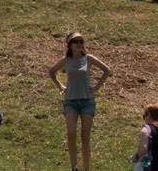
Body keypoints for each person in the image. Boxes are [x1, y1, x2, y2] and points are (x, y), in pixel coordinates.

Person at [48, 32, 112, 171]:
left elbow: (106, 70)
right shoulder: (66, 60)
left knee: (85, 136)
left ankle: (86, 168)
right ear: (69, 45)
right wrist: (60, 86)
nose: (79, 44)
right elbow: (51, 72)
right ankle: (74, 167)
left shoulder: (88, 59)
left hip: (87, 102)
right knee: (71, 133)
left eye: (81, 41)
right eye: (75, 42)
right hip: (70, 101)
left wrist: (96, 87)